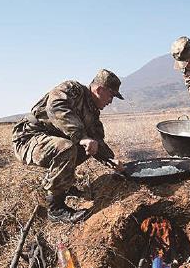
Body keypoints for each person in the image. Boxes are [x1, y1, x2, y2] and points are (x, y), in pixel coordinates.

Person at [12, 69, 124, 223]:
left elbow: (97, 140)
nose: (111, 101)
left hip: (49, 141)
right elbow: (56, 107)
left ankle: (64, 184)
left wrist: (111, 161)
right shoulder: (72, 89)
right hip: (28, 138)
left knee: (87, 147)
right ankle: (55, 209)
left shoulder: (92, 112)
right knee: (67, 147)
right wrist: (82, 137)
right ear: (99, 90)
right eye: (111, 95)